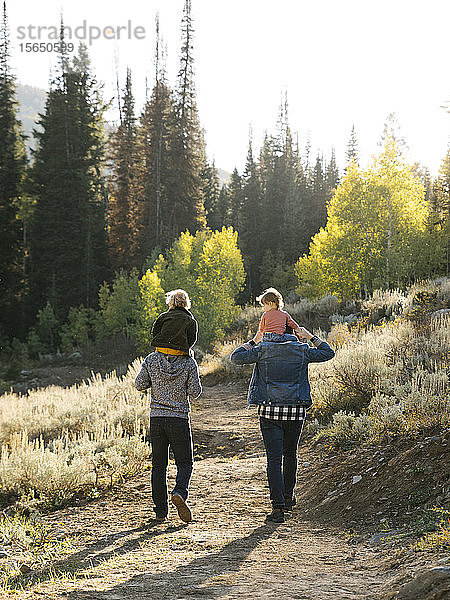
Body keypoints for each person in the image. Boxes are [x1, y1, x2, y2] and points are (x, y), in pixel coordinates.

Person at [230, 326, 334, 523]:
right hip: (295, 411)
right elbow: (328, 353)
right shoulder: (302, 349)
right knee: (290, 454)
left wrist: (253, 340)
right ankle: (287, 498)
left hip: (269, 413)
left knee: (274, 460)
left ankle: (277, 508)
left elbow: (236, 357)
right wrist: (310, 336)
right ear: (293, 333)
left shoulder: (262, 349)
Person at [134, 291, 201, 524]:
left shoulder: (152, 360)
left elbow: (139, 384)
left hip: (157, 419)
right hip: (179, 419)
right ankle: (180, 493)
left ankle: (161, 512)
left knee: (158, 467)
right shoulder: (188, 362)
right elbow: (195, 392)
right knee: (185, 462)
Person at [150, 289, 198, 356]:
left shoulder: (163, 317)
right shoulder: (191, 321)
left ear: (171, 302)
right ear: (186, 303)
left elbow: (155, 332)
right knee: (192, 364)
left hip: (161, 349)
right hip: (179, 352)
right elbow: (192, 339)